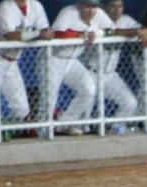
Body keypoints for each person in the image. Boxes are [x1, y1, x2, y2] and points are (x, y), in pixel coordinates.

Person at [84, 0, 147, 134]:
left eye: (120, 6)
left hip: (110, 75)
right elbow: (112, 32)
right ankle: (81, 132)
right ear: (104, 7)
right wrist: (133, 32)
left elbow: (144, 29)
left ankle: (114, 127)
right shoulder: (96, 20)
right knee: (85, 111)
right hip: (91, 72)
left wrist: (143, 32)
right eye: (113, 6)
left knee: (130, 103)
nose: (116, 10)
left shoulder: (125, 20)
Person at [49, 0, 115, 135]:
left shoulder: (99, 13)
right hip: (53, 58)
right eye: (87, 6)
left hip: (73, 60)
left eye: (93, 6)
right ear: (79, 5)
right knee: (49, 98)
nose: (91, 10)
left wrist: (97, 33)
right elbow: (58, 34)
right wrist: (82, 35)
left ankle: (64, 124)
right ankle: (43, 133)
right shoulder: (68, 12)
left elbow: (112, 30)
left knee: (88, 90)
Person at [0, 0, 53, 135]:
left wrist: (42, 33)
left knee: (21, 108)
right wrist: (37, 34)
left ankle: (10, 132)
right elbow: (10, 36)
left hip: (12, 61)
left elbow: (46, 32)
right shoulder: (5, 8)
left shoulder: (35, 6)